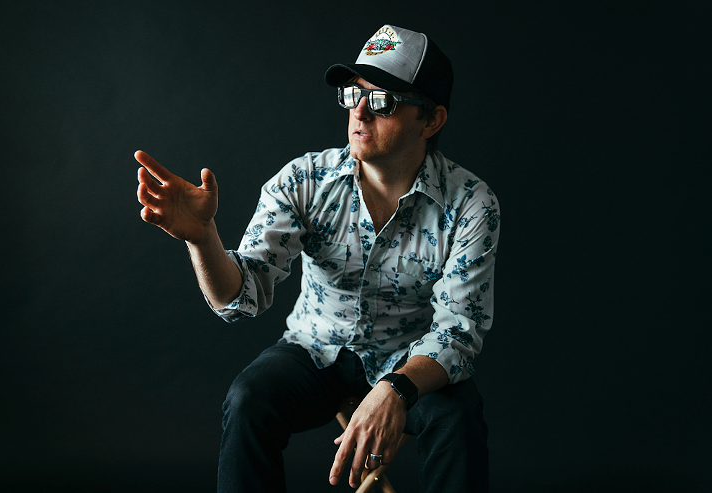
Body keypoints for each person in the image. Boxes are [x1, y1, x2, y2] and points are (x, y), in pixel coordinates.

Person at [135, 25, 499, 493]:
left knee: (458, 416)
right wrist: (203, 239)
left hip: (411, 360)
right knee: (248, 399)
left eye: (383, 101)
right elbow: (242, 296)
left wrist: (396, 388)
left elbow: (459, 331)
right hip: (316, 350)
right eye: (353, 95)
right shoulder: (304, 181)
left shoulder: (471, 204)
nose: (359, 112)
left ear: (431, 121)